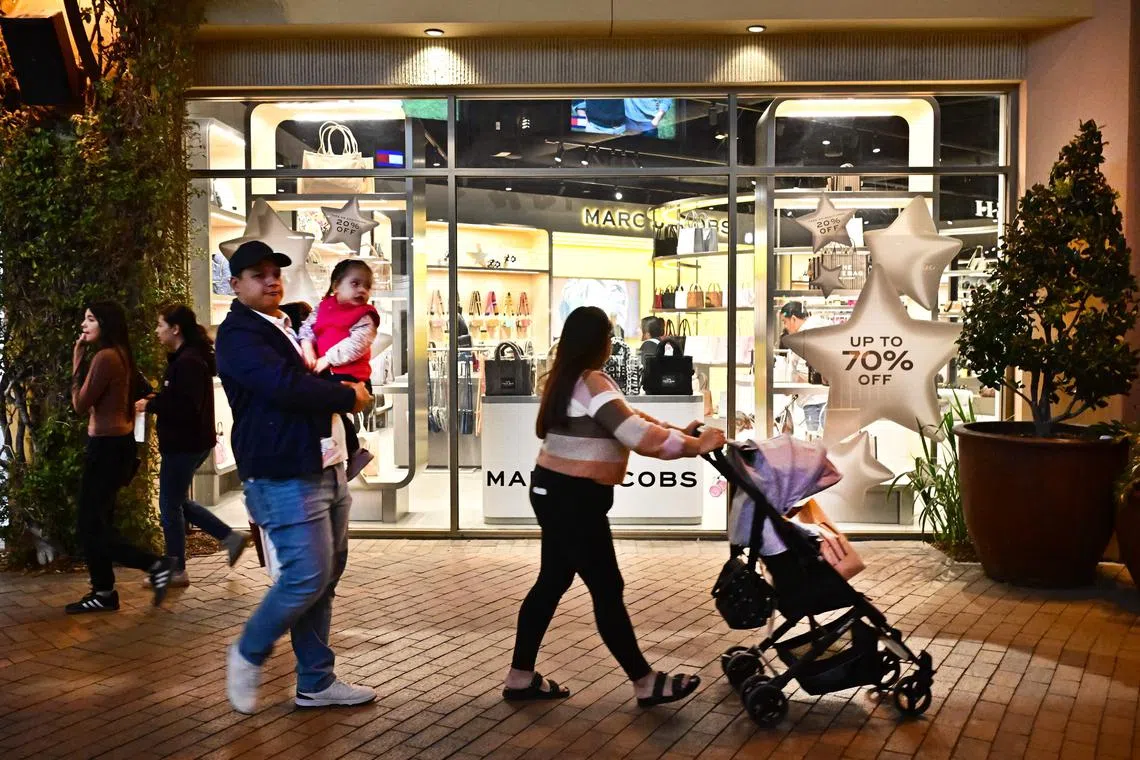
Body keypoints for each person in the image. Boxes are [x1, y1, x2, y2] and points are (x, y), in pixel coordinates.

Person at [503, 306, 725, 707]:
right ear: (597, 342)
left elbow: (629, 417)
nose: (611, 343)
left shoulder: (568, 378)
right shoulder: (590, 380)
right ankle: (644, 680)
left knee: (552, 582)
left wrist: (680, 431)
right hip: (573, 500)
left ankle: (520, 677)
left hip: (554, 492)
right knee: (607, 588)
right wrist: (695, 446)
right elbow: (635, 433)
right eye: (607, 336)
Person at [216, 240, 375, 714]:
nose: (270, 281)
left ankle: (315, 681)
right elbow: (283, 387)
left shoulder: (285, 323)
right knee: (305, 577)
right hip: (282, 471)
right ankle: (248, 652)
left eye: (274, 272)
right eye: (257, 275)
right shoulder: (240, 335)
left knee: (324, 577)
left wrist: (340, 389)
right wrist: (348, 397)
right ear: (235, 284)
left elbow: (312, 375)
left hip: (323, 463)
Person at [66, 302, 174, 614]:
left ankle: (154, 564)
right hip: (119, 445)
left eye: (90, 319)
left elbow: (80, 403)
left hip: (106, 448)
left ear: (105, 323)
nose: (84, 325)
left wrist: (76, 362)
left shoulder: (105, 357)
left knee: (90, 526)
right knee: (99, 523)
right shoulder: (122, 356)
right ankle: (103, 592)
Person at [135, 304, 248, 587]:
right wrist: (159, 398)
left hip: (184, 444)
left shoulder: (189, 362)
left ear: (175, 328)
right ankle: (229, 537)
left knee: (169, 506)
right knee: (178, 501)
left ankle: (176, 569)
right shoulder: (185, 359)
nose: (157, 331)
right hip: (189, 443)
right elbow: (181, 398)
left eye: (161, 325)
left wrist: (152, 404)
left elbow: (186, 406)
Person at [299, 260, 378, 481]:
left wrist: (327, 359)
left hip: (352, 373)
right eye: (355, 283)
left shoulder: (366, 316)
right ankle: (352, 451)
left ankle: (331, 447)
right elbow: (307, 328)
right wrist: (307, 347)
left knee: (323, 402)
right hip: (327, 370)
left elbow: (357, 344)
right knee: (327, 407)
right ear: (336, 285)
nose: (362, 290)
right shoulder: (323, 307)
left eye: (367, 286)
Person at [780, 301, 831, 434]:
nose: (785, 326)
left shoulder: (803, 336)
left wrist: (793, 385)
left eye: (785, 321)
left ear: (794, 319)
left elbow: (805, 371)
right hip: (825, 397)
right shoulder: (819, 328)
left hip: (813, 400)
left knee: (815, 440)